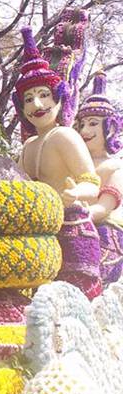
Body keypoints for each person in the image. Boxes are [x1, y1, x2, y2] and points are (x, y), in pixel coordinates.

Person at [14, 27, 102, 298]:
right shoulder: (27, 147)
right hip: (40, 233)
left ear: (58, 97)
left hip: (72, 228)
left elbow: (92, 183)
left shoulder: (64, 135)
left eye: (43, 95)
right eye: (28, 99)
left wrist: (75, 193)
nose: (36, 104)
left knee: (74, 304)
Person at [76, 72, 123, 284]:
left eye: (93, 123)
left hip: (104, 235)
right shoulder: (74, 163)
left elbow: (105, 207)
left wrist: (76, 214)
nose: (85, 130)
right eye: (82, 124)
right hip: (73, 228)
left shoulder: (114, 166)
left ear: (110, 127)